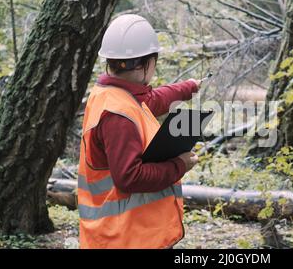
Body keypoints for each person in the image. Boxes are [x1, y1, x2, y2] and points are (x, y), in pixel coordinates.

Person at [78, 14, 201, 248]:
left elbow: (152, 99)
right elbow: (130, 177)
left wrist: (189, 88)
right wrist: (179, 166)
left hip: (128, 233)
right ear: (145, 63)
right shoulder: (118, 115)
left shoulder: (111, 93)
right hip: (125, 238)